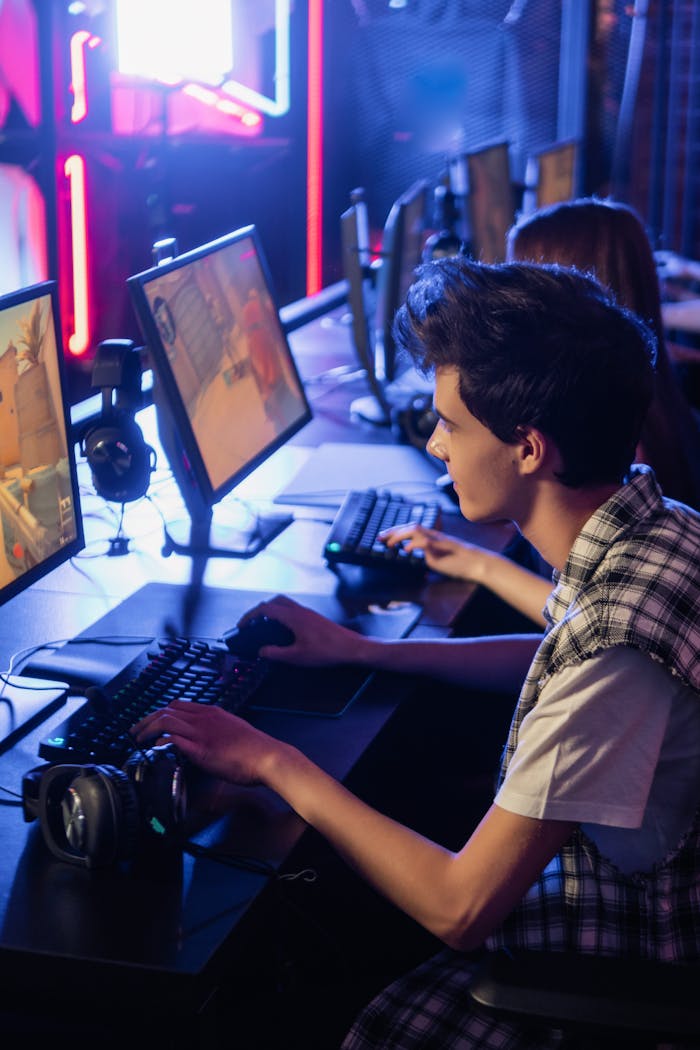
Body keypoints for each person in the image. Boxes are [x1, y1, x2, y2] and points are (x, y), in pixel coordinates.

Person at [133, 258, 700, 1049]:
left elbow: (459, 910)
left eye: (450, 424)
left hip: (600, 974)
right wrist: (363, 650)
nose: (435, 444)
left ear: (528, 448)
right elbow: (562, 640)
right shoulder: (664, 526)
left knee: (276, 956)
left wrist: (270, 761)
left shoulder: (611, 658)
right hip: (615, 910)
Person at [380, 197, 700, 628]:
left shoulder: (607, 640)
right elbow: (570, 620)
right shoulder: (672, 516)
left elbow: (582, 630)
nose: (437, 445)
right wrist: (478, 564)